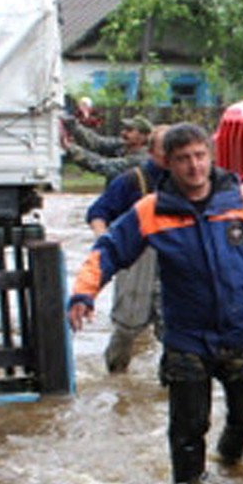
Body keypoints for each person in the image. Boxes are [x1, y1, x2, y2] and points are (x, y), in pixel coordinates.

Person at [67, 123, 243, 484]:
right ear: (169, 165)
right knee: (189, 430)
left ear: (211, 156)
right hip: (187, 338)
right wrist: (84, 293)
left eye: (200, 156)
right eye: (183, 159)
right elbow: (108, 251)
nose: (194, 166)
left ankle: (228, 460)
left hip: (239, 331)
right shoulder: (152, 210)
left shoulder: (241, 200)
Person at [84, 123, 171, 373]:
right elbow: (98, 213)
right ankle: (116, 375)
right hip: (136, 260)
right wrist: (106, 243)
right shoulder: (132, 180)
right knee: (126, 326)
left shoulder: (187, 180)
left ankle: (172, 383)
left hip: (172, 261)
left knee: (175, 330)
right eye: (165, 148)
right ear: (151, 150)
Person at [64, 115, 154, 182]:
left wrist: (71, 148)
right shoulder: (122, 146)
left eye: (129, 130)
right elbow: (98, 143)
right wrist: (74, 127)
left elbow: (105, 165)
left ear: (143, 136)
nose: (123, 133)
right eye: (124, 129)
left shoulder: (143, 159)